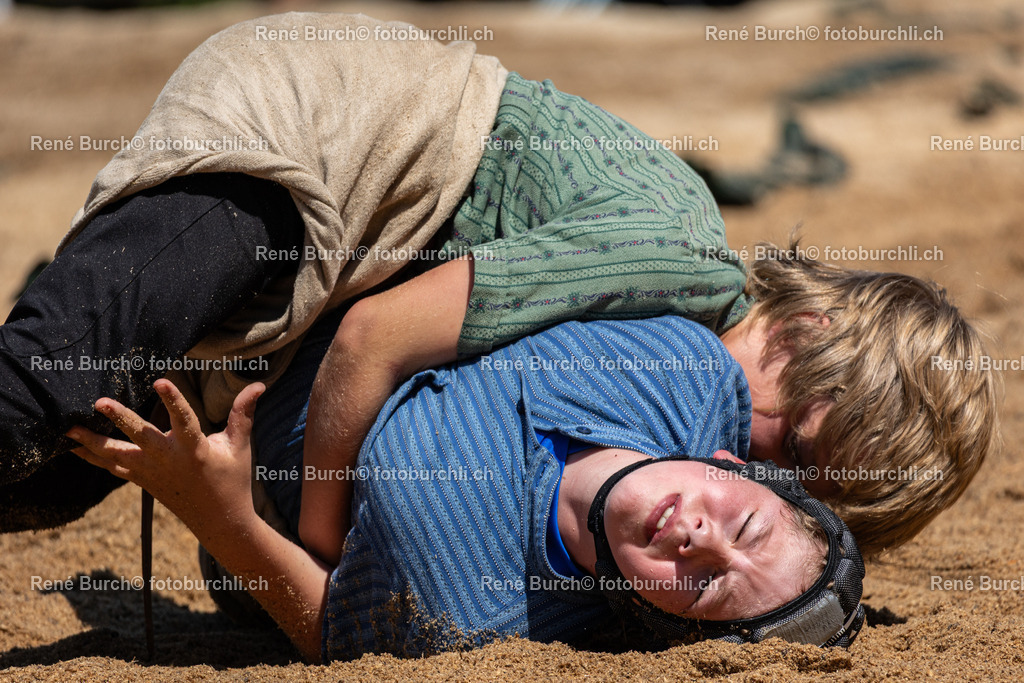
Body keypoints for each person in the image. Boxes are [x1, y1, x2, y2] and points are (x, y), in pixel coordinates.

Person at [0, 12, 998, 560]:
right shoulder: (677, 265)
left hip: (319, 284)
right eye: (795, 448)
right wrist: (320, 547)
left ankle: (94, 310)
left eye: (796, 494)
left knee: (50, 481)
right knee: (35, 397)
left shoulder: (665, 394)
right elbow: (377, 338)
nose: (755, 470)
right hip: (319, 138)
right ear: (801, 333)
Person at [68, 311, 866, 662]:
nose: (700, 539)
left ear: (662, 625)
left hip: (226, 414)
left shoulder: (471, 613)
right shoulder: (681, 368)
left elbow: (327, 629)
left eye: (707, 586)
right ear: (736, 466)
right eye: (745, 526)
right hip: (330, 271)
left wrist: (220, 513)